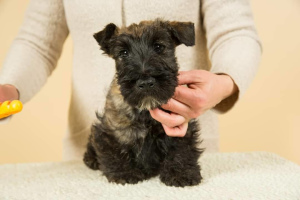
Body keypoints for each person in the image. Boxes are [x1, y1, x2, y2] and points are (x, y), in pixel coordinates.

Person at [0, 0, 262, 160]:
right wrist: (8, 87)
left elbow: (236, 31)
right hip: (98, 150)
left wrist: (224, 81)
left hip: (181, 141)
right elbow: (37, 42)